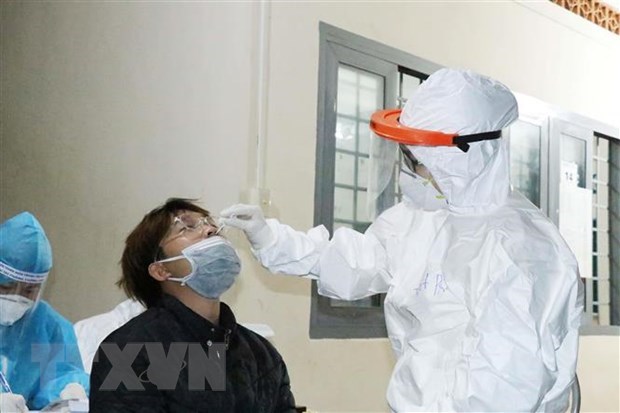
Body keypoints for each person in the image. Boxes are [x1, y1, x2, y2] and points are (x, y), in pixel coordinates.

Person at [221, 69, 584, 412]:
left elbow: (503, 387)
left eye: (417, 158)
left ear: (462, 156)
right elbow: (356, 262)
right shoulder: (422, 217)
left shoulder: (524, 249)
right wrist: (270, 237)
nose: (411, 171)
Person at [89, 198, 296, 413]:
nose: (210, 230)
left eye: (211, 223)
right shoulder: (132, 351)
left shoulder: (260, 353)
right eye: (187, 227)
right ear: (161, 270)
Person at [0, 212, 89, 412]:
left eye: (29, 290)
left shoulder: (47, 326)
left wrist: (68, 391)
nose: (16, 297)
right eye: (6, 287)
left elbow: (60, 375)